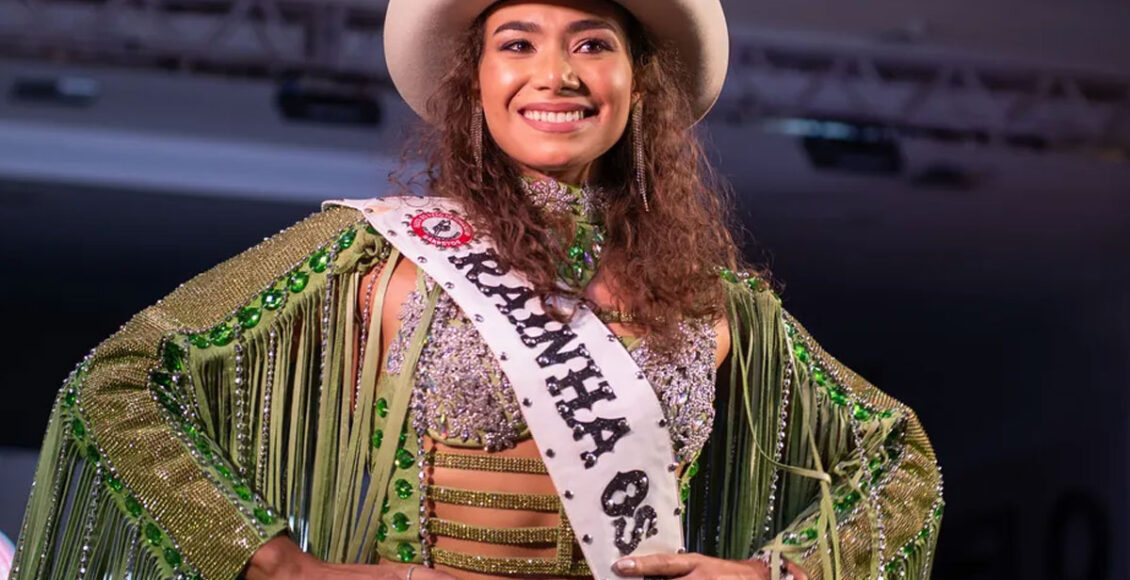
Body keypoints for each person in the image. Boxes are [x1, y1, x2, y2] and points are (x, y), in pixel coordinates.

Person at [9, 0, 943, 578]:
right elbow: (122, 380)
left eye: (592, 42)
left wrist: (774, 574)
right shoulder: (374, 254)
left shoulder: (717, 303)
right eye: (518, 42)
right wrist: (278, 564)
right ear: (477, 80)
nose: (556, 74)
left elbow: (902, 462)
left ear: (635, 83)